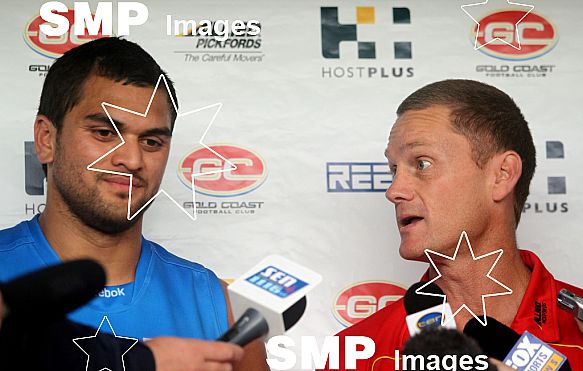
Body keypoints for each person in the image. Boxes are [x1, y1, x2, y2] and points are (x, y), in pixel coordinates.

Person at [0, 37, 266, 370]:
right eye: (104, 133)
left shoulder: (218, 304)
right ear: (46, 139)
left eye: (152, 141)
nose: (132, 158)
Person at [321, 79, 583, 370]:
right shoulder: (353, 353)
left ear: (502, 175)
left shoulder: (578, 326)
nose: (394, 190)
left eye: (422, 164)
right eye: (393, 169)